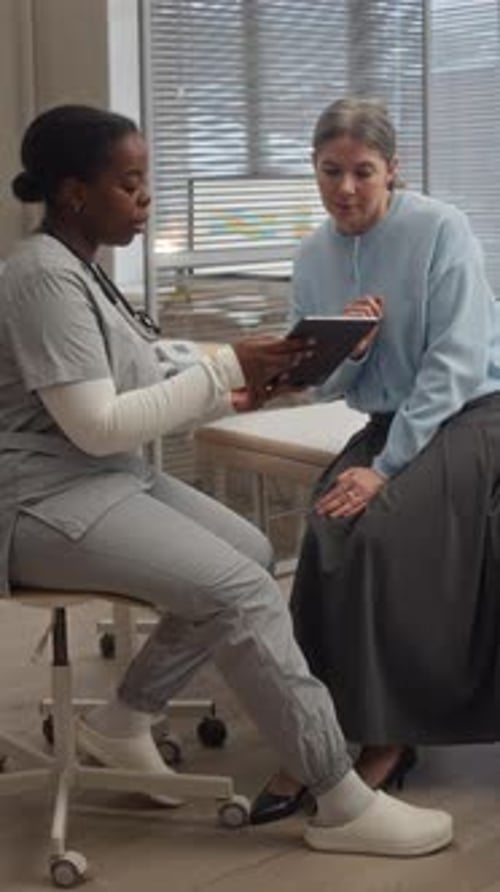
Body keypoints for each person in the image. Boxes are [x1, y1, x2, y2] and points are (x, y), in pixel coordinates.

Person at [0, 103, 453, 857]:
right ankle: (341, 797)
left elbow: (136, 376)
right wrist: (223, 371)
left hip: (100, 480)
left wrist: (240, 376)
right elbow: (98, 424)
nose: (145, 200)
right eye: (131, 184)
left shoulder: (82, 269)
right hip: (41, 500)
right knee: (240, 590)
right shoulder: (41, 278)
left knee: (247, 552)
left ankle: (122, 719)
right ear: (75, 192)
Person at [249, 95, 500, 824]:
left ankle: (390, 738)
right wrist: (350, 352)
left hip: (477, 410)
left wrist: (384, 468)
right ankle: (317, 737)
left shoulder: (440, 231)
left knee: (382, 525)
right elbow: (322, 380)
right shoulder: (311, 255)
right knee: (328, 530)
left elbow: (455, 363)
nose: (346, 189)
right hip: (393, 417)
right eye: (331, 171)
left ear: (394, 171)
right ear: (315, 171)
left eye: (363, 171)